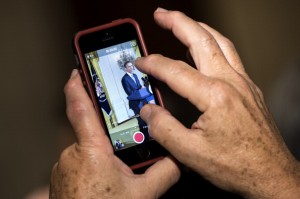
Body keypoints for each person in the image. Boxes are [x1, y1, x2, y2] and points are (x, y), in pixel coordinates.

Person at [50, 8, 300, 199]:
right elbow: (130, 93)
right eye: (127, 65)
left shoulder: (136, 75)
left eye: (129, 64)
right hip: (138, 103)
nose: (129, 67)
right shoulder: (128, 80)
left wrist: (274, 175)